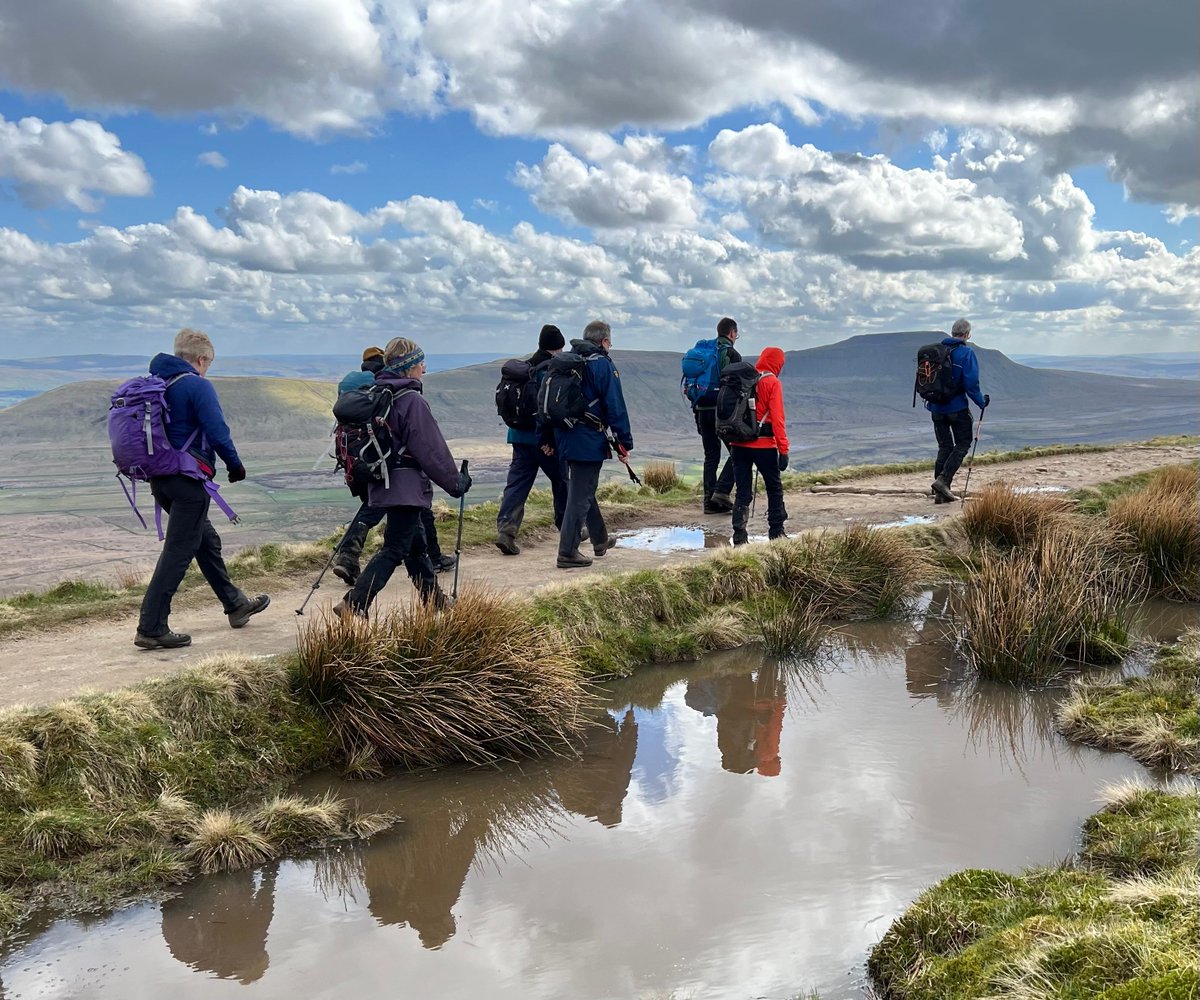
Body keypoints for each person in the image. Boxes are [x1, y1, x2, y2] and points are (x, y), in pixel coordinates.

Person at [134, 329, 269, 649]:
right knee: (178, 551)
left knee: (206, 541)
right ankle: (151, 626)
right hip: (187, 483)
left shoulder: (159, 384)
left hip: (161, 480)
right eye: (209, 363)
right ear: (202, 359)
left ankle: (235, 604)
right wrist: (235, 466)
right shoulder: (197, 385)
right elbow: (218, 431)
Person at [336, 337, 471, 615]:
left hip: (384, 482)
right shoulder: (410, 400)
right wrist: (455, 483)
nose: (424, 368)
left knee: (416, 547)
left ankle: (434, 601)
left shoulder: (379, 394)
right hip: (405, 487)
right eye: (420, 363)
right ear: (409, 367)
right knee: (394, 548)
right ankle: (354, 603)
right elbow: (430, 449)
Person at [555, 321, 633, 569]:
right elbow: (615, 406)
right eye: (610, 342)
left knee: (583, 488)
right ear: (604, 341)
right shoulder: (601, 365)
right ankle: (567, 552)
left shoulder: (567, 362)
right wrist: (624, 441)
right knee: (580, 495)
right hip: (587, 438)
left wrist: (546, 438)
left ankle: (599, 540)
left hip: (564, 435)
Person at [494, 324, 568, 555]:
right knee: (561, 480)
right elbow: (551, 412)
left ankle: (506, 530)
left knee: (517, 484)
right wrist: (550, 441)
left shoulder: (524, 369)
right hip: (543, 441)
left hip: (518, 437)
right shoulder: (550, 372)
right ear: (557, 348)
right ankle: (569, 527)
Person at [729, 347, 789, 545]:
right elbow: (778, 419)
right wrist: (783, 449)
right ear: (777, 363)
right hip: (764, 446)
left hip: (738, 443)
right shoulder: (772, 382)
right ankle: (776, 532)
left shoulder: (743, 379)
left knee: (742, 491)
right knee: (774, 488)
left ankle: (739, 535)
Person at [926, 318, 989, 503]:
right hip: (957, 408)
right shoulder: (966, 353)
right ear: (967, 334)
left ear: (952, 332)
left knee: (944, 447)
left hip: (936, 408)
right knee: (963, 443)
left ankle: (940, 494)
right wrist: (981, 402)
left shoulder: (937, 351)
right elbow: (971, 384)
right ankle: (943, 482)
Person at [694, 317, 742, 513]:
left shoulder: (705, 353)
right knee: (739, 452)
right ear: (732, 333)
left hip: (701, 410)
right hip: (722, 413)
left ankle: (709, 503)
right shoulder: (731, 354)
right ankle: (721, 493)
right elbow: (737, 389)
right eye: (736, 334)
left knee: (711, 456)